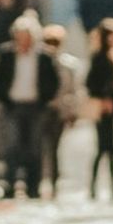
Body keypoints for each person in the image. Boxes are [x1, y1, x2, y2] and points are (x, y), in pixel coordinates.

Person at [0, 14, 59, 200]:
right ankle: (10, 185)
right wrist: (3, 98)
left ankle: (33, 187)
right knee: (12, 146)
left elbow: (52, 82)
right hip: (13, 106)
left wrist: (44, 100)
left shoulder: (43, 57)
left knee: (34, 148)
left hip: (35, 106)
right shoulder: (6, 55)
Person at [38, 24, 81, 198]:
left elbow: (73, 90)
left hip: (59, 110)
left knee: (55, 148)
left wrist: (72, 112)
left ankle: (54, 183)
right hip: (42, 109)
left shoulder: (68, 64)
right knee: (39, 147)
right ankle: (38, 181)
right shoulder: (39, 62)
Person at [87, 19, 113, 200]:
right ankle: (98, 188)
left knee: (110, 149)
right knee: (103, 148)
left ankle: (111, 188)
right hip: (103, 109)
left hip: (111, 109)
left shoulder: (112, 56)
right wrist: (104, 99)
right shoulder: (99, 58)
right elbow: (92, 83)